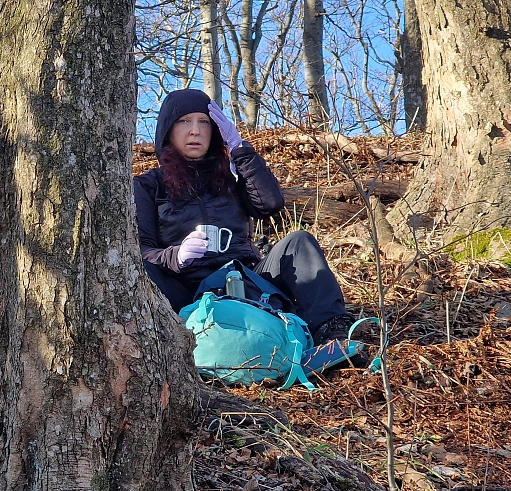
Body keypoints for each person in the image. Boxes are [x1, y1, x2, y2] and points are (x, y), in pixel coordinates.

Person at [133, 88, 355, 347]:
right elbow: (140, 251)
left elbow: (270, 204)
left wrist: (239, 149)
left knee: (299, 243)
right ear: (168, 130)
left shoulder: (232, 177)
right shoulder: (149, 185)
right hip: (185, 292)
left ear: (215, 129)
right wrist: (176, 256)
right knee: (141, 271)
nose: (195, 131)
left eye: (204, 122)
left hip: (244, 281)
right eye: (184, 121)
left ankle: (332, 334)